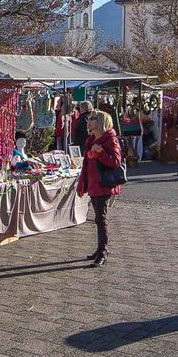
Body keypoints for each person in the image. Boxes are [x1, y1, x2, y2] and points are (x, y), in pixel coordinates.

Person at [76, 110, 123, 268]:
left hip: (104, 184)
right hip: (93, 184)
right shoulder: (91, 140)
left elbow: (115, 161)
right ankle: (100, 249)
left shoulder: (109, 140)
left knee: (101, 219)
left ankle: (103, 251)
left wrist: (100, 152)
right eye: (89, 118)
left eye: (93, 119)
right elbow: (86, 165)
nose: (89, 121)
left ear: (101, 122)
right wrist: (83, 183)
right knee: (98, 219)